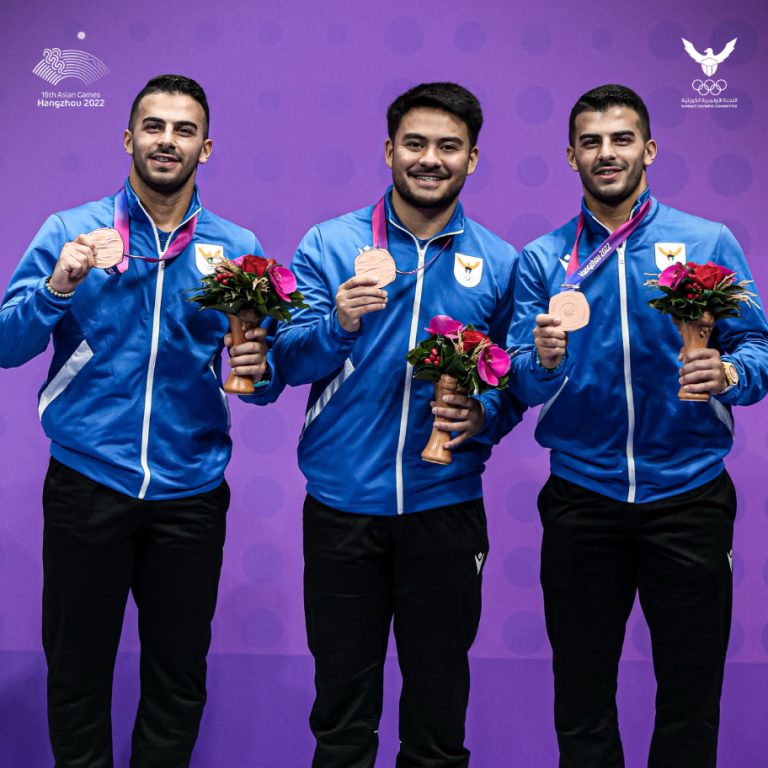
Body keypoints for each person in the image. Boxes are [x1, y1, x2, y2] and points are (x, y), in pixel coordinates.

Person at [0, 74, 281, 767]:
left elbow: (260, 380)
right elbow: (7, 343)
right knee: (76, 673)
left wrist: (260, 364)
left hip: (190, 493)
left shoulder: (235, 246)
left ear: (205, 148)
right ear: (128, 138)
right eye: (153, 127)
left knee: (177, 679)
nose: (167, 141)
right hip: (87, 483)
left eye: (184, 130)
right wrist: (58, 286)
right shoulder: (69, 231)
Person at [506, 83, 768, 767]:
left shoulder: (706, 241)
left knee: (690, 697)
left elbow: (757, 347)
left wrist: (730, 374)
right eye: (590, 142)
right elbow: (518, 379)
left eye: (621, 139)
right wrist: (543, 360)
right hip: (582, 500)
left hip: (688, 497)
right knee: (582, 698)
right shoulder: (542, 259)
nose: (607, 153)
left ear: (648, 149)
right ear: (571, 156)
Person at [273, 82, 524, 767]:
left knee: (437, 720)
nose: (430, 159)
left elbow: (515, 382)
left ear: (473, 158)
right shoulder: (329, 243)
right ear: (389, 151)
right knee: (342, 718)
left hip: (444, 509)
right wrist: (338, 323)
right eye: (415, 143)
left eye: (449, 146)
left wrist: (484, 414)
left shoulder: (500, 262)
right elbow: (287, 362)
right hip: (342, 508)